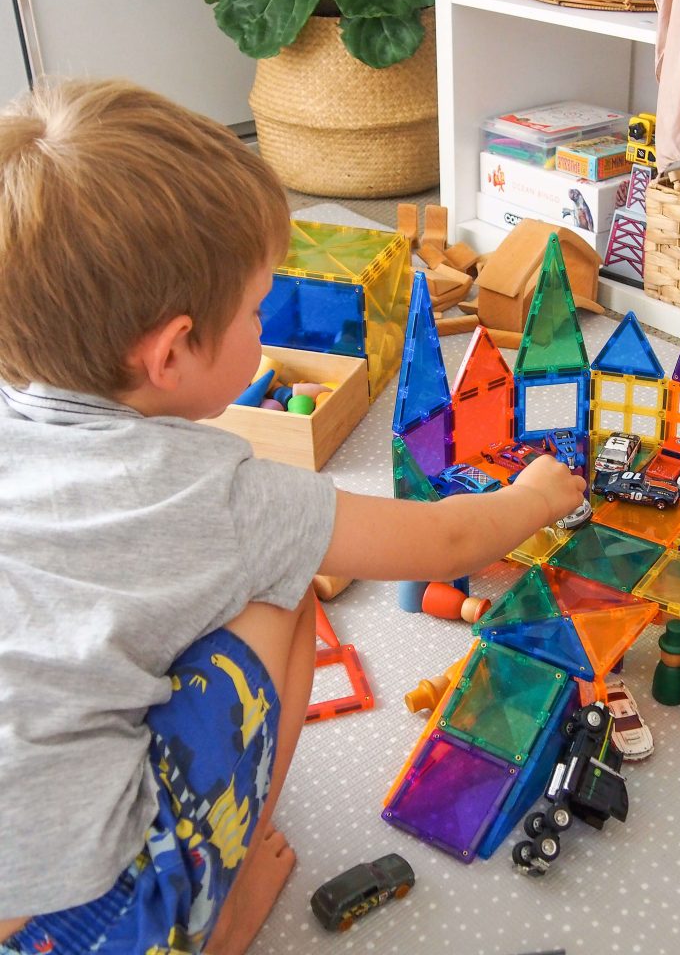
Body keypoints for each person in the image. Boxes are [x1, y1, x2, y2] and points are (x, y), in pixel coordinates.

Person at [0, 79, 586, 954]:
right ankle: (225, 906)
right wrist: (535, 496)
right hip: (99, 930)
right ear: (170, 352)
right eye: (253, 309)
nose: (264, 321)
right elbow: (445, 540)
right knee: (287, 592)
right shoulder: (225, 496)